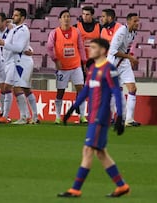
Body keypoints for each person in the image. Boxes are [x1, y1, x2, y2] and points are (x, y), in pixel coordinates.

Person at [57, 38, 129, 198]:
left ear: (103, 50)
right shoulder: (93, 69)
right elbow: (86, 90)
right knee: (100, 153)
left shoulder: (109, 69)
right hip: (93, 116)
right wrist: (73, 108)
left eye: (94, 47)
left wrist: (120, 117)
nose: (90, 49)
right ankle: (122, 186)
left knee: (88, 150)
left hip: (101, 117)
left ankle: (75, 189)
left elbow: (117, 92)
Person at [0, 8, 38, 124]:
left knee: (15, 88)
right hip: (15, 62)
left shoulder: (22, 30)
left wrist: (3, 43)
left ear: (22, 18)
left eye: (16, 15)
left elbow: (19, 48)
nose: (13, 17)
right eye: (13, 15)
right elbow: (24, 46)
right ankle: (33, 116)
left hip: (20, 63)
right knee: (25, 89)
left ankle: (23, 117)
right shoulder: (15, 29)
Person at [47, 10, 87, 124]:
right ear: (59, 19)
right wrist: (55, 60)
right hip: (62, 68)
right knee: (60, 92)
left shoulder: (76, 32)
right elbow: (49, 48)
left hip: (75, 65)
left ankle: (82, 116)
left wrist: (84, 62)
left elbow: (81, 47)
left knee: (81, 89)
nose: (66, 18)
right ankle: (58, 117)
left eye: (68, 16)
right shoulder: (54, 33)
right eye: (64, 16)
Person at [107, 13, 141, 127]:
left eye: (138, 21)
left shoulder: (133, 32)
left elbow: (126, 48)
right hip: (114, 62)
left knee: (132, 88)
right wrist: (130, 57)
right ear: (129, 21)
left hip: (124, 62)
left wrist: (129, 57)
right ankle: (112, 116)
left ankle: (129, 119)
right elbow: (113, 51)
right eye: (135, 21)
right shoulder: (121, 32)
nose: (137, 23)